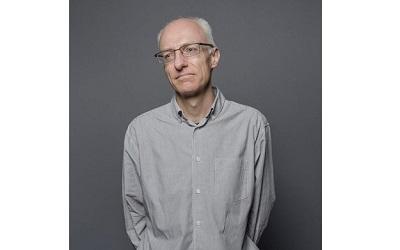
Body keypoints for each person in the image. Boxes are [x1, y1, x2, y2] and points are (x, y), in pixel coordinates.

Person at [122, 17, 275, 250]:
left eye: (190, 50)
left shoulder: (251, 125)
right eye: (168, 55)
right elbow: (135, 212)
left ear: (213, 57)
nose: (179, 63)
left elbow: (260, 208)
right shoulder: (140, 132)